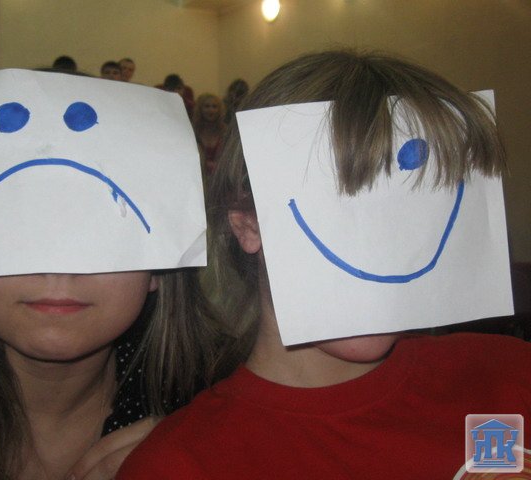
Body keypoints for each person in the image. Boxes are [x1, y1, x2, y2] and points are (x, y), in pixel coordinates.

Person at [118, 50, 531, 479]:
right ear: (247, 224)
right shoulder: (180, 465)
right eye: (342, 200)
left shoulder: (511, 375)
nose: (381, 240)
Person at [0, 68, 223, 480]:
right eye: (15, 220)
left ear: (159, 267)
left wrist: (200, 449)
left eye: (103, 224)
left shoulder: (210, 402)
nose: (59, 266)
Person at [192, 94, 225, 175]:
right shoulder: (192, 131)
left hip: (220, 176)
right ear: (200, 109)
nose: (211, 110)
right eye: (207, 106)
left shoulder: (225, 131)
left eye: (214, 106)